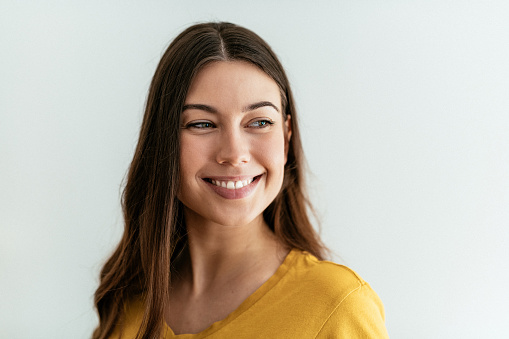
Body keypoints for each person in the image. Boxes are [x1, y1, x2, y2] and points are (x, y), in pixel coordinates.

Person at [93, 22, 389, 339]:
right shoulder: (131, 299)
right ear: (162, 141)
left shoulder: (338, 307)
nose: (234, 154)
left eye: (260, 122)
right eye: (202, 124)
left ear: (286, 138)